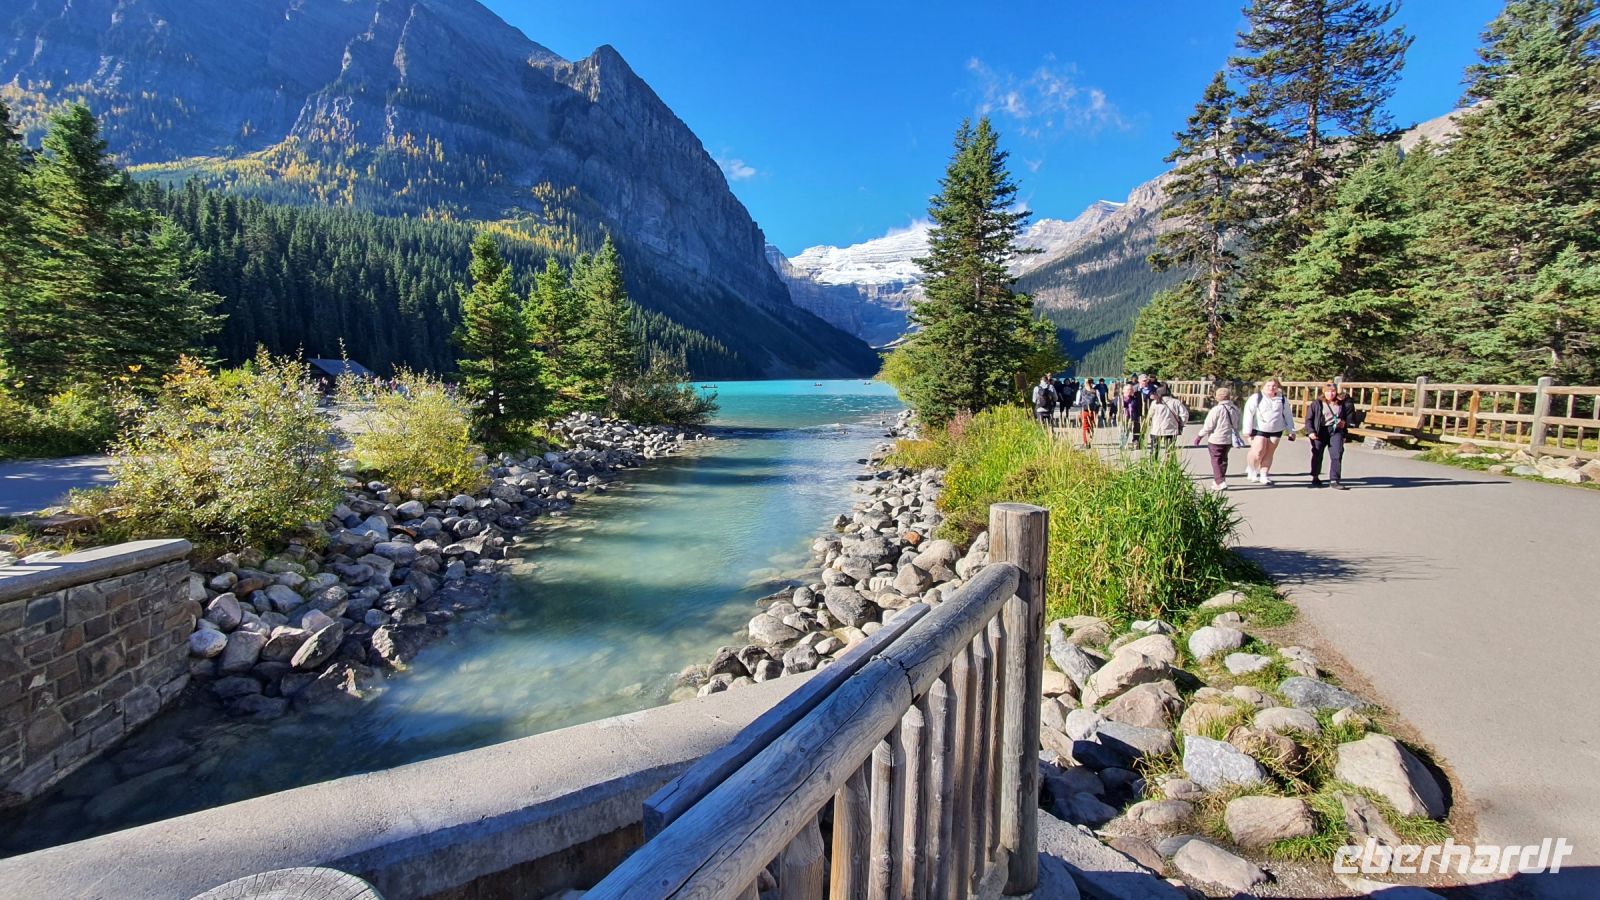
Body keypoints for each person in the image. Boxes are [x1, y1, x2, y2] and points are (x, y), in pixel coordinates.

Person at [1241, 377, 1296, 485]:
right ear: (1263, 386)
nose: (1271, 388)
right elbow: (1248, 414)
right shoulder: (1256, 397)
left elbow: (1288, 415)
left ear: (1277, 387)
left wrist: (1291, 430)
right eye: (1268, 386)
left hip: (1276, 429)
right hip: (1259, 428)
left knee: (1269, 453)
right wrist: (1247, 432)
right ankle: (1252, 469)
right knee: (1258, 451)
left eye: (1274, 386)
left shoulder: (1282, 399)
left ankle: (1264, 475)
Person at [1193, 387, 1247, 491]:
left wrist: (1199, 436)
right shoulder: (1235, 409)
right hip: (1229, 439)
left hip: (1216, 438)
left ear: (1217, 397)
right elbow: (1239, 425)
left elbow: (1208, 426)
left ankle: (1220, 481)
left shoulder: (1216, 409)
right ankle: (1220, 479)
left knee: (1216, 460)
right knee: (1224, 459)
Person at [1305, 381, 1356, 489]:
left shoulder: (1342, 403)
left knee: (1337, 454)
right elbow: (1309, 419)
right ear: (1324, 392)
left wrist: (1344, 423)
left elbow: (1348, 417)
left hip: (1335, 431)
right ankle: (1315, 476)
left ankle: (1334, 480)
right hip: (1320, 431)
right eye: (1328, 392)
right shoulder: (1317, 403)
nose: (1330, 394)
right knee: (1317, 453)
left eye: (1333, 391)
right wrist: (1311, 431)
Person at [1145, 386, 1189, 458]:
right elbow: (1185, 414)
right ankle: (1168, 465)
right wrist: (1182, 423)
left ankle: (1153, 466)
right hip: (1171, 430)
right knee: (1170, 451)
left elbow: (1150, 415)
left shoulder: (1155, 403)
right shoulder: (1176, 402)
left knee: (1154, 451)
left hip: (1157, 430)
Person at [1074, 380, 1099, 449]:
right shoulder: (1096, 391)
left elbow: (1077, 402)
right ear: (1092, 383)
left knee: (1085, 427)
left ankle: (1086, 443)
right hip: (1093, 411)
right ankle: (1089, 441)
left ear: (1085, 383)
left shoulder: (1080, 391)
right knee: (1091, 426)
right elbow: (1099, 402)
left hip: (1084, 411)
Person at [1118, 382, 1143, 450]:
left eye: (1131, 389)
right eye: (1128, 389)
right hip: (1124, 417)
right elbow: (1116, 408)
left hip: (1134, 416)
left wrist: (1140, 415)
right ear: (1124, 390)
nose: (1130, 391)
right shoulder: (1121, 398)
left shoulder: (1136, 397)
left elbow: (1140, 406)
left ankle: (1136, 443)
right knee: (1124, 430)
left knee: (1136, 430)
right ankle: (1123, 444)